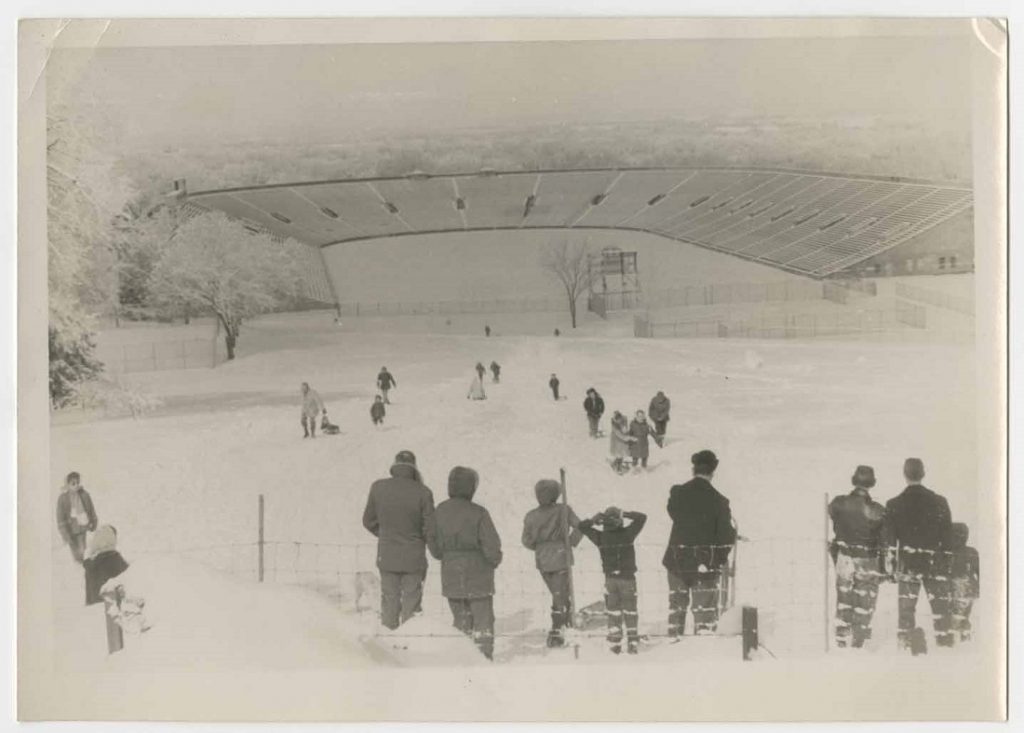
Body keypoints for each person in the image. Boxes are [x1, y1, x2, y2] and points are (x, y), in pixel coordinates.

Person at [427, 466, 503, 660]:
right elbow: (492, 545)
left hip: (451, 570)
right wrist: (493, 562)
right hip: (478, 570)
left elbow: (433, 544)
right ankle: (484, 658)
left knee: (460, 619)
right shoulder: (479, 512)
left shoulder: (439, 511)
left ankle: (462, 659)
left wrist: (447, 557)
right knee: (483, 619)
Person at [662, 450, 737, 637]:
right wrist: (717, 560)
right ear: (713, 472)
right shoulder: (720, 501)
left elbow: (673, 511)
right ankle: (702, 654)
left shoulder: (678, 494)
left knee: (676, 609)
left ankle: (674, 644)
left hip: (677, 561)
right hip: (705, 564)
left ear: (693, 470)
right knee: (704, 613)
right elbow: (726, 537)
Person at [883, 457, 954, 652]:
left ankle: (905, 647)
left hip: (908, 563)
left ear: (904, 475)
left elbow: (890, 542)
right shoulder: (940, 502)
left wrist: (891, 566)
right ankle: (946, 647)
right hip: (934, 562)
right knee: (941, 610)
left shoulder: (893, 504)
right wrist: (946, 562)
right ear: (923, 473)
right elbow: (948, 537)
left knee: (906, 611)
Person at [362, 451, 435, 630]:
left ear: (394, 466)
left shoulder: (378, 487)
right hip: (414, 557)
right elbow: (430, 527)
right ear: (414, 468)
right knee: (412, 605)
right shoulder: (423, 492)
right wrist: (417, 539)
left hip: (387, 555)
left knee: (389, 602)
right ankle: (410, 645)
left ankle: (389, 645)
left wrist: (386, 534)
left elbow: (368, 521)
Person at [828, 465, 886, 648]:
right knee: (865, 600)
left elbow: (833, 515)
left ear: (854, 481)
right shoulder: (877, 510)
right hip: (867, 558)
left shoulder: (838, 503)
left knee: (844, 596)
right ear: (872, 483)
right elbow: (883, 539)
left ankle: (842, 635)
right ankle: (859, 639)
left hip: (844, 556)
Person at [522, 479, 583, 648]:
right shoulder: (564, 510)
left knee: (559, 593)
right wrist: (571, 542)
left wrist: (539, 547)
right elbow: (580, 526)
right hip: (561, 556)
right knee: (560, 594)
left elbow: (526, 540)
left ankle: (566, 620)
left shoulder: (531, 515)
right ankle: (557, 631)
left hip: (542, 559)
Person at [578, 507, 647, 654]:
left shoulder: (601, 537)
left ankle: (615, 642)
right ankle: (632, 641)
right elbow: (642, 517)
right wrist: (626, 513)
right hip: (628, 579)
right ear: (620, 521)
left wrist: (593, 520)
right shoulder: (628, 534)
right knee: (630, 611)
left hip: (610, 580)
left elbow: (582, 526)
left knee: (613, 611)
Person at [56, 471, 98, 564]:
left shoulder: (84, 495)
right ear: (67, 485)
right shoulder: (63, 498)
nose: (76, 485)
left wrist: (93, 521)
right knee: (75, 551)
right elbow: (60, 517)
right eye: (73, 483)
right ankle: (78, 564)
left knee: (82, 549)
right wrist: (65, 533)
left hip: (82, 526)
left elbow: (91, 509)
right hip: (70, 529)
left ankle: (82, 564)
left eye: (77, 483)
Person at [947, 522, 979, 643]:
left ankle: (957, 640)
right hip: (967, 588)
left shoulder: (948, 552)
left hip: (958, 588)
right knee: (963, 615)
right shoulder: (972, 552)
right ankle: (963, 638)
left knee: (956, 616)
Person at [84, 525, 130, 606]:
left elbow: (89, 596)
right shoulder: (115, 559)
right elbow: (129, 579)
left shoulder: (90, 565)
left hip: (94, 608)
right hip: (112, 608)